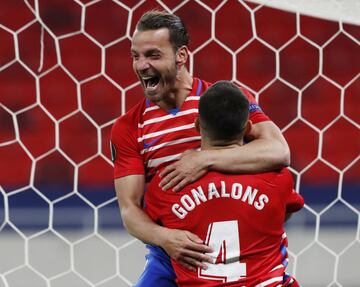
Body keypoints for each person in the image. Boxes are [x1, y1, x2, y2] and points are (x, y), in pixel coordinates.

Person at [110, 10, 290, 287]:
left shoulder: (223, 101)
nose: (142, 65)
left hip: (240, 246)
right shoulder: (129, 127)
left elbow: (278, 151)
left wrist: (203, 159)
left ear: (181, 55)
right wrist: (165, 238)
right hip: (173, 253)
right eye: (136, 56)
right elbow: (129, 209)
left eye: (153, 55)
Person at [145, 80, 304, 287]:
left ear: (196, 125)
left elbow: (153, 231)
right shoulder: (277, 177)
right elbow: (285, 213)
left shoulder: (166, 185)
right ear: (248, 128)